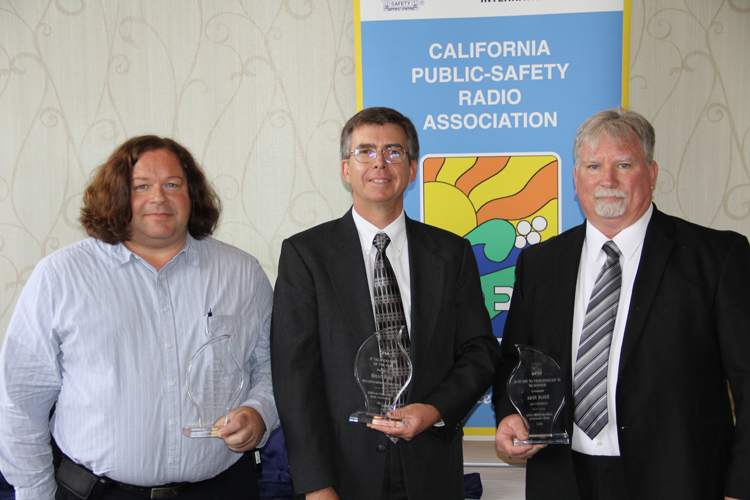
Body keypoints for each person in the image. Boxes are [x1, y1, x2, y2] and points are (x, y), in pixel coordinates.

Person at [0, 136, 278, 500]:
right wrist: (33, 492)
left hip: (222, 489)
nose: (158, 197)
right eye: (141, 186)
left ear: (192, 195)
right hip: (96, 493)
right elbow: (21, 397)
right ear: (116, 195)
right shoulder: (60, 276)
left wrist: (259, 413)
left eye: (173, 185)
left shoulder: (242, 273)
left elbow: (274, 369)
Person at [493, 108, 750, 500]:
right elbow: (515, 360)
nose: (607, 180)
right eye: (593, 166)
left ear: (651, 172)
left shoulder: (716, 256)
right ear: (576, 179)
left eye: (624, 164)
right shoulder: (540, 263)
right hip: (563, 477)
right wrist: (510, 414)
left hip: (679, 479)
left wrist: (740, 486)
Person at [271, 107, 500, 500]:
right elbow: (295, 381)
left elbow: (480, 352)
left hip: (431, 468)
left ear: (411, 169)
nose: (379, 162)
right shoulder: (305, 255)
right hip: (343, 474)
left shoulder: (452, 253)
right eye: (365, 151)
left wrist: (435, 409)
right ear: (346, 169)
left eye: (394, 152)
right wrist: (316, 484)